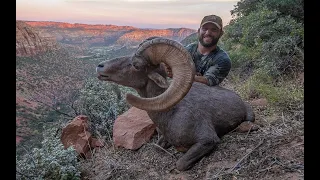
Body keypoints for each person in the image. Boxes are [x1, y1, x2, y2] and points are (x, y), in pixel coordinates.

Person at [165, 14, 231, 86]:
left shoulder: (222, 60)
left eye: (214, 30)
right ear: (199, 31)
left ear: (221, 33)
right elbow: (170, 67)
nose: (208, 33)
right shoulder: (187, 50)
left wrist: (178, 73)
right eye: (205, 29)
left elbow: (208, 80)